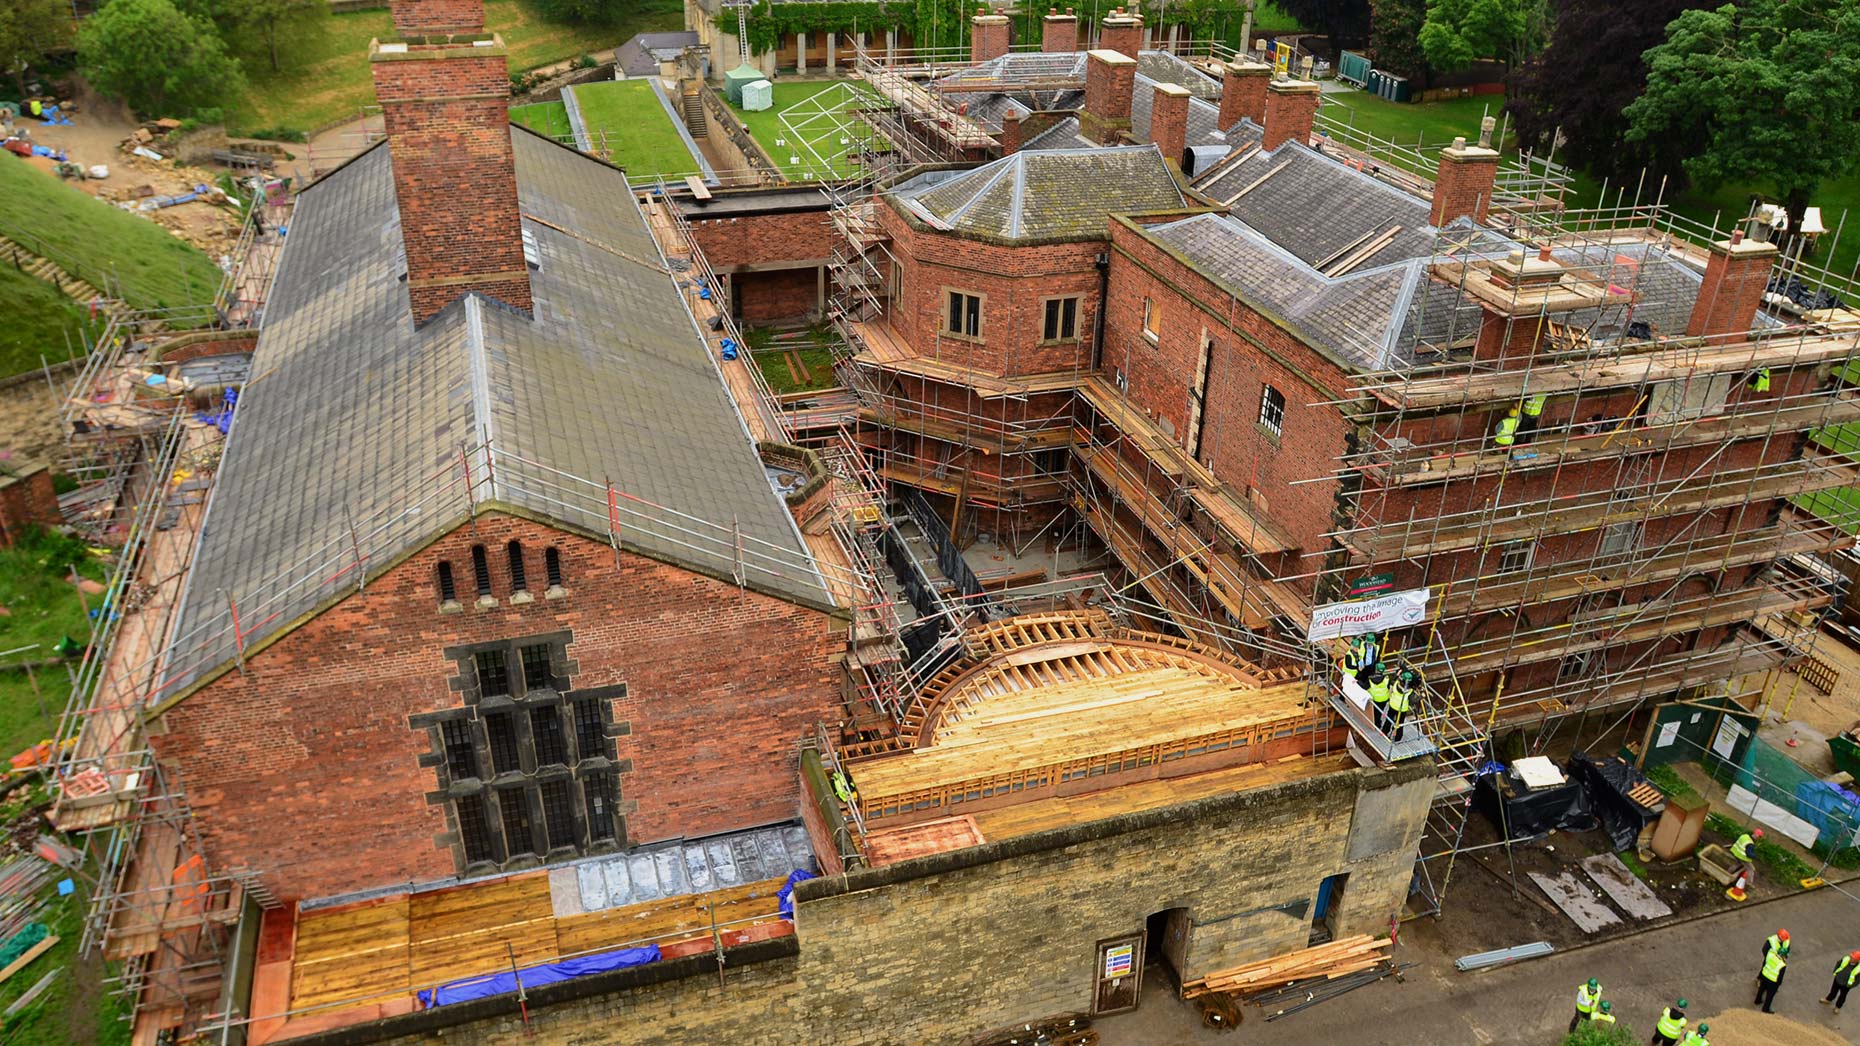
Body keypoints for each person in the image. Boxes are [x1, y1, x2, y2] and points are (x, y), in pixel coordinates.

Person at [1756, 937, 1787, 1013]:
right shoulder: (1782, 964)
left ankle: (1757, 1000)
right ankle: (1765, 1008)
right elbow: (1780, 977)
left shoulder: (1770, 955)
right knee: (1770, 995)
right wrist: (1778, 984)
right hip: (1773, 981)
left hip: (1765, 975)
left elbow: (1765, 960)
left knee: (1761, 989)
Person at [1364, 663, 1392, 733]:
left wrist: (1358, 682)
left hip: (1374, 699)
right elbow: (1388, 687)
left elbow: (1365, 687)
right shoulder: (1386, 678)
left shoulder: (1370, 679)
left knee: (1373, 712)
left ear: (1376, 669)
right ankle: (1378, 724)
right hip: (1384, 699)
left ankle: (1373, 723)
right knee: (1379, 712)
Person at [1385, 670, 1412, 739]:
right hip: (1402, 709)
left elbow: (1391, 682)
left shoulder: (1395, 684)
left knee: (1389, 719)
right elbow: (1413, 700)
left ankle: (1385, 731)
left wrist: (1397, 675)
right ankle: (1398, 737)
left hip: (1393, 705)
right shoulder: (1410, 691)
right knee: (1400, 723)